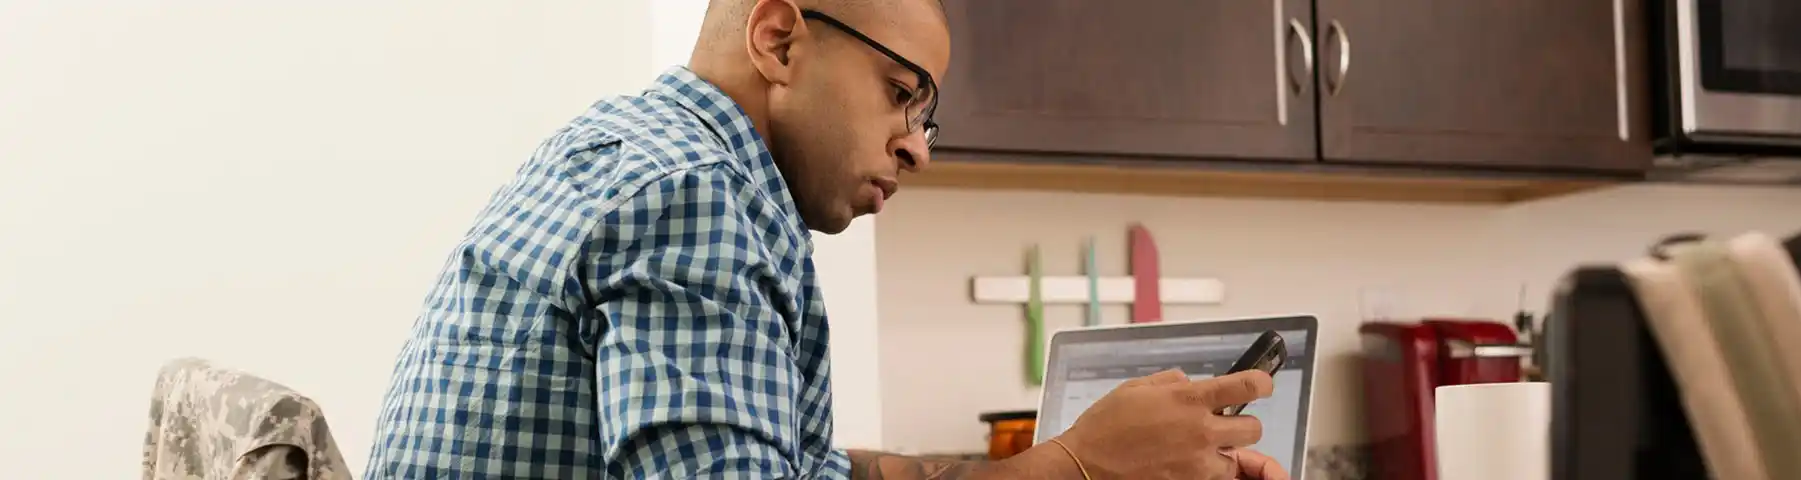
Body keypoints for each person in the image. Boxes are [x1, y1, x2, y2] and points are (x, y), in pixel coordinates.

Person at [363, 0, 1293, 478]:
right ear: (778, 39)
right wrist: (1080, 467)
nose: (918, 149)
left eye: (930, 116)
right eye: (901, 94)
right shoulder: (695, 192)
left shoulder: (630, 149)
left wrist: (1081, 458)